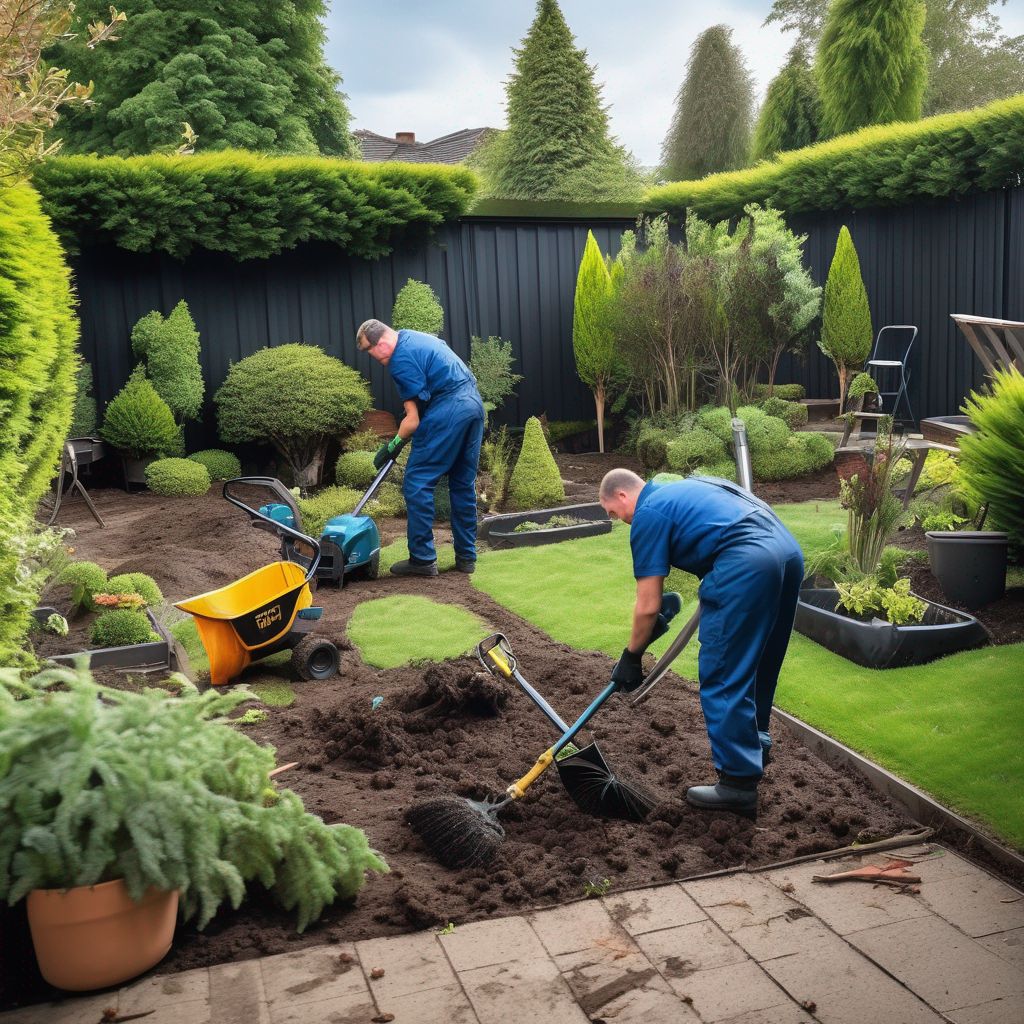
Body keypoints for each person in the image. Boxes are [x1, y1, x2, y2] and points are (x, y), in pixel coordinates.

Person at [599, 469, 804, 817]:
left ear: (622, 496)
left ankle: (737, 784)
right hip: (786, 552)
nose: (621, 521)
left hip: (746, 561)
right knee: (759, 660)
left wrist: (631, 657)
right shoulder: (689, 486)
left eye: (613, 514)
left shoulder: (648, 513)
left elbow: (647, 604)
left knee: (722, 667)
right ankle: (757, 742)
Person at [356, 319, 485, 577]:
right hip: (473, 405)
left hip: (450, 407)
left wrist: (392, 445)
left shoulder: (399, 360)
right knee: (461, 482)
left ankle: (423, 559)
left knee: (417, 480)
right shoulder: (415, 337)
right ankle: (466, 558)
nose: (373, 358)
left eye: (370, 351)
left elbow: (412, 421)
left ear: (380, 343)